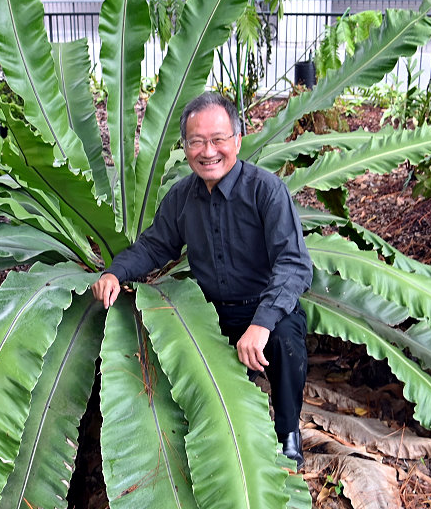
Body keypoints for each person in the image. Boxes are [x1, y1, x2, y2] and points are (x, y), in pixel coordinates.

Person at [91, 92, 312, 469]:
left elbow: (294, 264)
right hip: (208, 311)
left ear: (237, 141)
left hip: (263, 308)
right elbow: (154, 246)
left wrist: (262, 323)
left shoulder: (266, 191)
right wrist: (114, 272)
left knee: (287, 341)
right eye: (196, 141)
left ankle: (288, 432)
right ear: (186, 146)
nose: (208, 151)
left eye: (218, 139)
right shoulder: (182, 198)